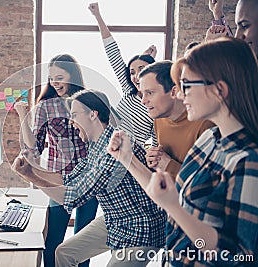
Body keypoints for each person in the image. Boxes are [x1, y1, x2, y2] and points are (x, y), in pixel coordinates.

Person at [108, 37, 258, 266]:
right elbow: (168, 193)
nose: (180, 94)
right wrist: (126, 159)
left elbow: (237, 256)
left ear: (219, 90)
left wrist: (174, 208)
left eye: (186, 86)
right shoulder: (209, 140)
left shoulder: (247, 161)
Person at [13, 90, 166, 267]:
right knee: (64, 253)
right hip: (115, 219)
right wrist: (32, 170)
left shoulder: (115, 145)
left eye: (75, 115)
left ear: (93, 114)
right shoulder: (95, 145)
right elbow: (68, 180)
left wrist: (30, 176)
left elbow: (74, 197)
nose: (71, 122)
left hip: (140, 228)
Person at [14, 54, 98, 267]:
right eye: (51, 78)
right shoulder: (45, 106)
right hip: (57, 178)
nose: (55, 83)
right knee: (54, 239)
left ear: (73, 76)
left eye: (60, 77)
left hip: (88, 177)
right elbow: (34, 146)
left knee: (82, 240)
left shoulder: (88, 102)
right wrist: (23, 115)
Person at [88, 2, 157, 146]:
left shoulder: (157, 104)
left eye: (142, 70)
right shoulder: (129, 90)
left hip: (129, 158)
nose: (136, 76)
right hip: (105, 147)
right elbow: (113, 53)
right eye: (132, 72)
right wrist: (98, 16)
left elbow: (157, 140)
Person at [138, 61, 215, 179]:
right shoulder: (159, 119)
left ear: (174, 92)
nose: (143, 101)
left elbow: (209, 183)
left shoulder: (205, 125)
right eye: (142, 93)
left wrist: (169, 165)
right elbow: (163, 162)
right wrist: (154, 159)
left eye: (150, 93)